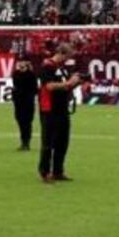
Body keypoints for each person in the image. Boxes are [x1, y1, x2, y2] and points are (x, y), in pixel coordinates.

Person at [37, 44, 83, 183]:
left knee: (62, 142)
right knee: (48, 142)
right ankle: (44, 172)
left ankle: (58, 171)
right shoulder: (47, 66)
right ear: (61, 53)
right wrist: (69, 83)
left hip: (62, 108)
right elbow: (49, 86)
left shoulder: (62, 69)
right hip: (49, 109)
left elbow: (66, 86)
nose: (68, 60)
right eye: (68, 56)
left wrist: (77, 82)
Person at [11, 60, 38, 151]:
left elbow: (34, 89)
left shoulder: (31, 75)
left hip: (28, 102)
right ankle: (23, 142)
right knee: (20, 121)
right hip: (18, 102)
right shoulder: (16, 74)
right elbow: (16, 83)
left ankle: (26, 143)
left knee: (27, 123)